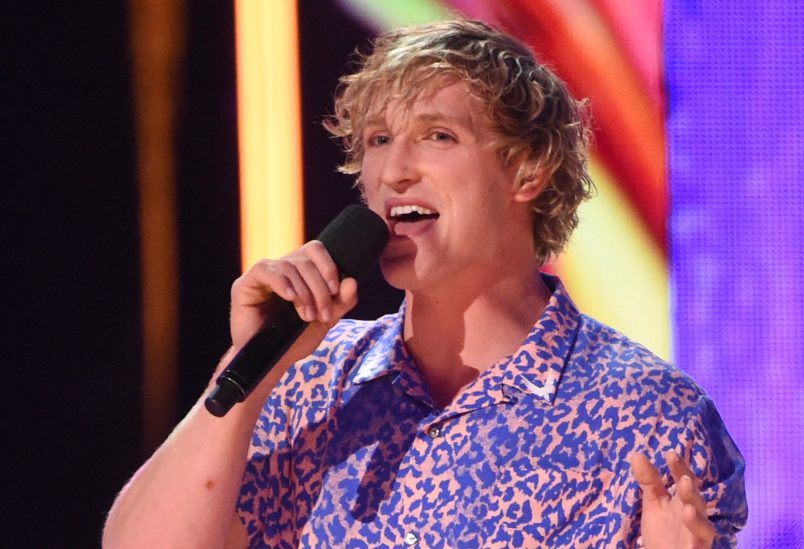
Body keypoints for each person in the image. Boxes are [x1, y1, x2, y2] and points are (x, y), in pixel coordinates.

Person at [103, 19, 746, 548]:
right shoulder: (308, 383)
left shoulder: (651, 418)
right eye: (378, 140)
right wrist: (244, 373)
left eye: (437, 135)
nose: (394, 170)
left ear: (527, 171)